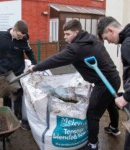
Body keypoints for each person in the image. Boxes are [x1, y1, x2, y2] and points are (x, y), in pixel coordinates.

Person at [28, 19, 121, 150]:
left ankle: (93, 144)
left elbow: (55, 60)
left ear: (77, 32)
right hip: (114, 78)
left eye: (68, 34)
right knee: (110, 104)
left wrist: (35, 67)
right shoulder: (92, 39)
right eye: (64, 34)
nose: (65, 37)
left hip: (103, 84)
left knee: (93, 114)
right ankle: (114, 127)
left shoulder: (77, 48)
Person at [0, 20, 37, 130]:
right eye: (19, 36)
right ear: (14, 30)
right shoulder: (1, 36)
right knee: (6, 96)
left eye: (23, 36)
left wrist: (34, 64)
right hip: (4, 72)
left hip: (17, 73)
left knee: (17, 97)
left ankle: (18, 120)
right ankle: (7, 118)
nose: (21, 38)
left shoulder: (24, 39)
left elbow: (29, 52)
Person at [98, 16, 130, 150]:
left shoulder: (128, 44)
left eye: (106, 38)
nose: (109, 43)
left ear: (111, 30)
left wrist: (127, 97)